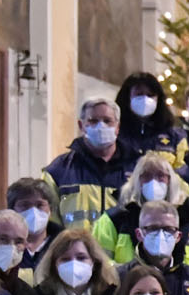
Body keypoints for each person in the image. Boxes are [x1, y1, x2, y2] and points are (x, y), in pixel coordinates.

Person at [43, 94, 137, 227]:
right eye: (93, 121)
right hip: (76, 247)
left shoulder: (136, 169)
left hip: (120, 248)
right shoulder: (58, 171)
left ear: (117, 127)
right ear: (81, 125)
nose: (101, 126)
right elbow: (49, 224)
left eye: (107, 121)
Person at [116, 71, 184, 159]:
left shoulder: (174, 135)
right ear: (127, 98)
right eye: (139, 94)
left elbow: (183, 168)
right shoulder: (116, 134)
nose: (145, 99)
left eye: (150, 95)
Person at [7, 178, 61, 272]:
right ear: (12, 210)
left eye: (40, 205)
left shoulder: (64, 243)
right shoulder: (2, 244)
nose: (33, 212)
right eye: (25, 205)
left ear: (50, 209)